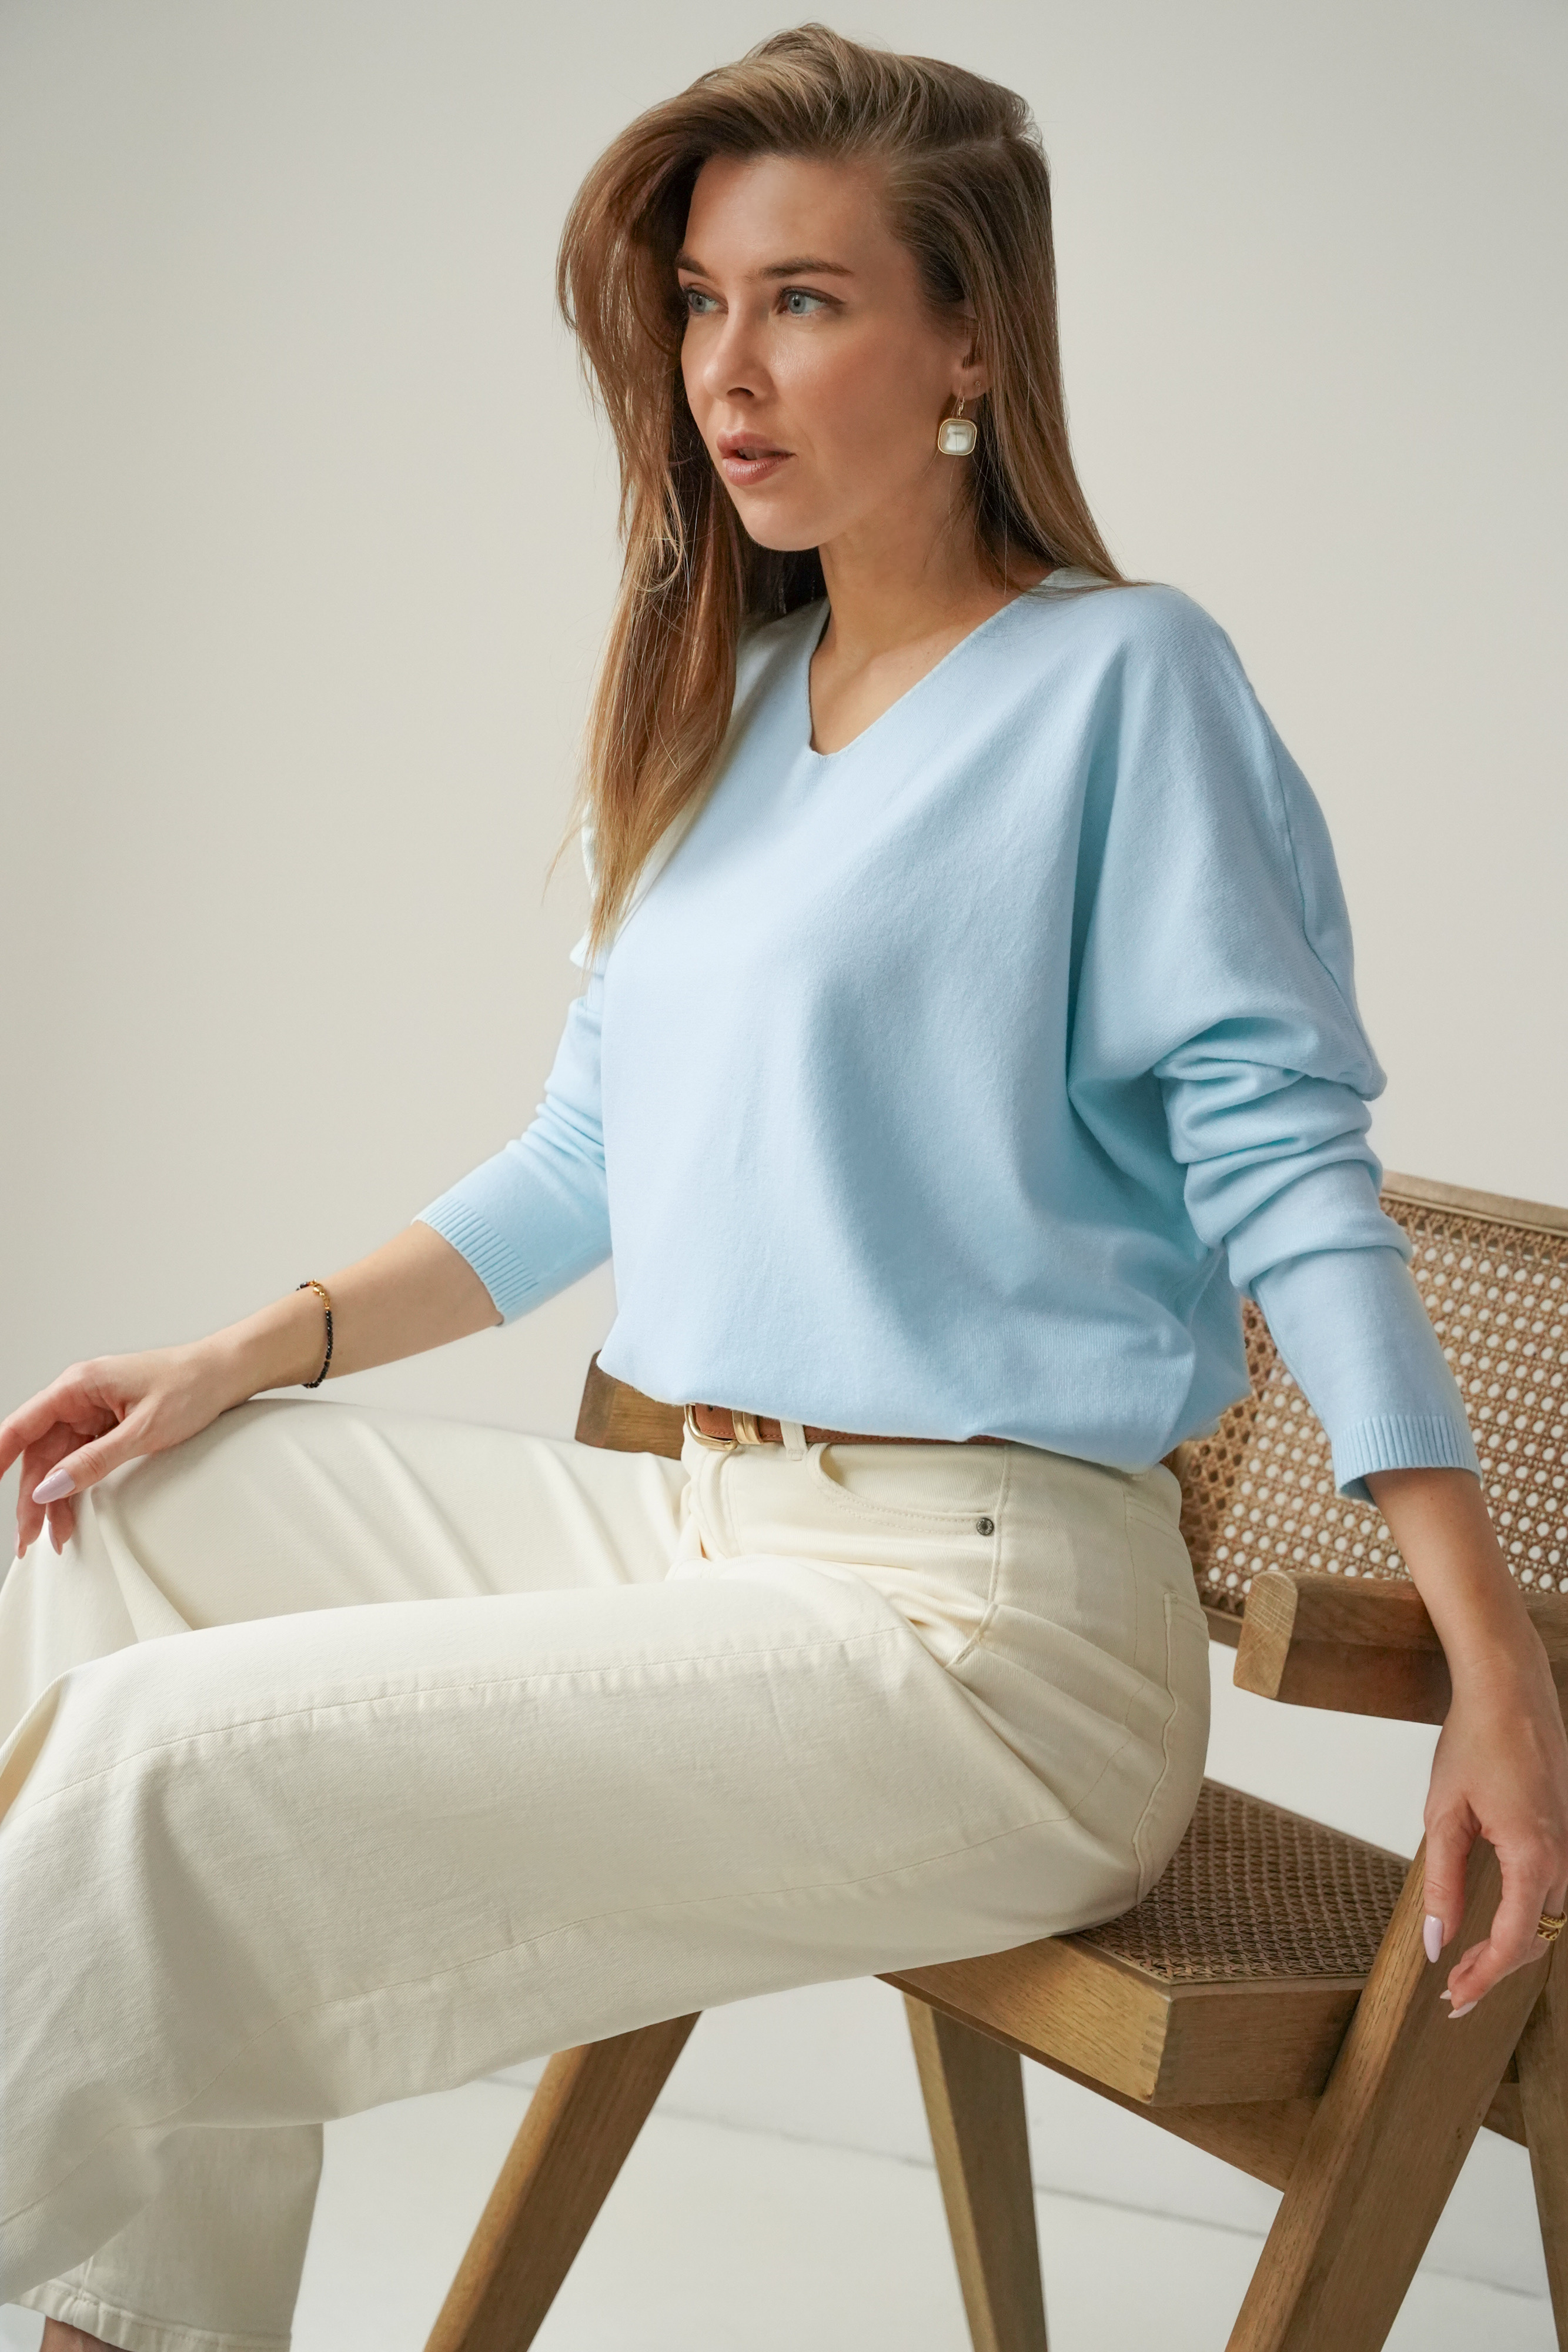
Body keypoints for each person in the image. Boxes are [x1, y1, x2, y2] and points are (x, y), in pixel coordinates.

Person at [3, 24, 1565, 2352]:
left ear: (970, 341)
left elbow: (1282, 1170)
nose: (727, 371)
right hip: (712, 1539)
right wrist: (244, 1350)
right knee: (133, 1509)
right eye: (700, 305)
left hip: (991, 1648)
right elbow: (585, 1157)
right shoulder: (724, 705)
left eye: (805, 301)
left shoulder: (1124, 682)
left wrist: (1493, 1664)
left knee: (151, 1774)